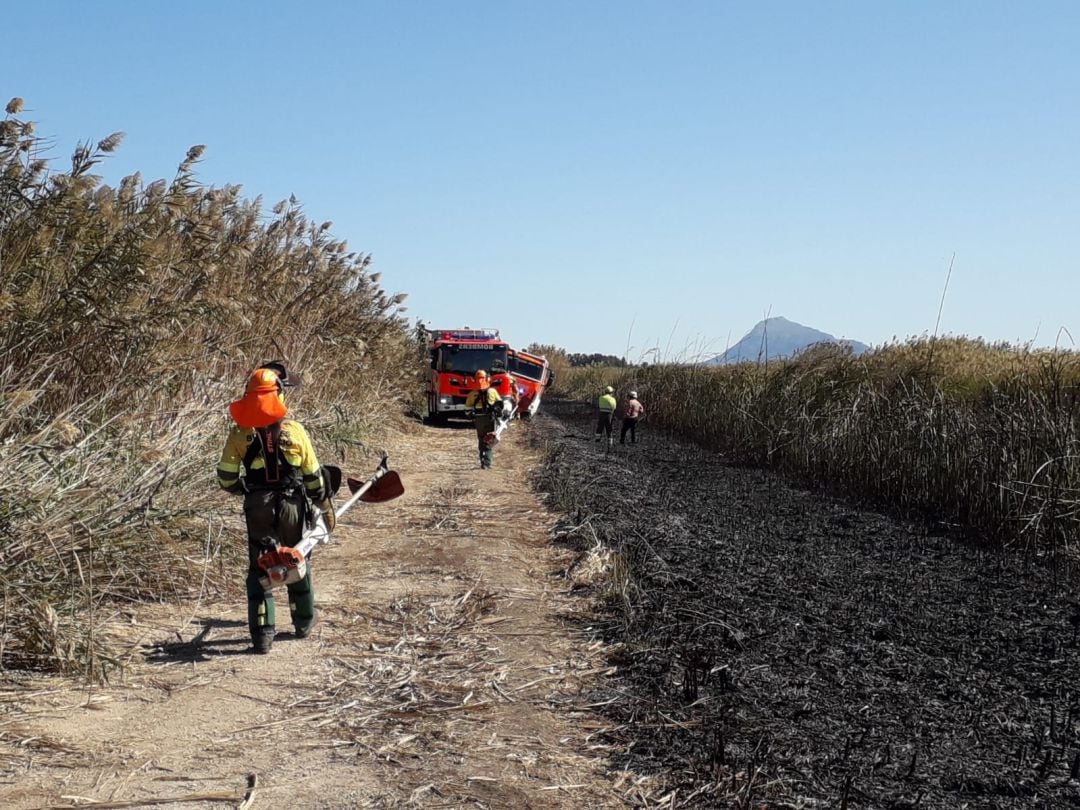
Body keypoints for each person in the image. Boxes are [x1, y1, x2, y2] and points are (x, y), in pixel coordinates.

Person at [216, 363, 326, 654]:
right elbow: (314, 478)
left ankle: (263, 635)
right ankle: (303, 621)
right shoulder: (296, 432)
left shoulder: (240, 435)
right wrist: (321, 502)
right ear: (278, 396)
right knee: (296, 558)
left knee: (259, 565)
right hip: (292, 504)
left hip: (258, 506)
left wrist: (247, 489)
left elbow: (226, 478)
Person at [465, 369, 503, 469]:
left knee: (482, 438)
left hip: (479, 420)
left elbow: (467, 409)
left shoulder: (472, 394)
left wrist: (471, 416)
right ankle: (487, 462)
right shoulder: (493, 391)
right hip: (490, 419)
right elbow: (500, 404)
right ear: (487, 379)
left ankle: (482, 458)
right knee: (489, 439)